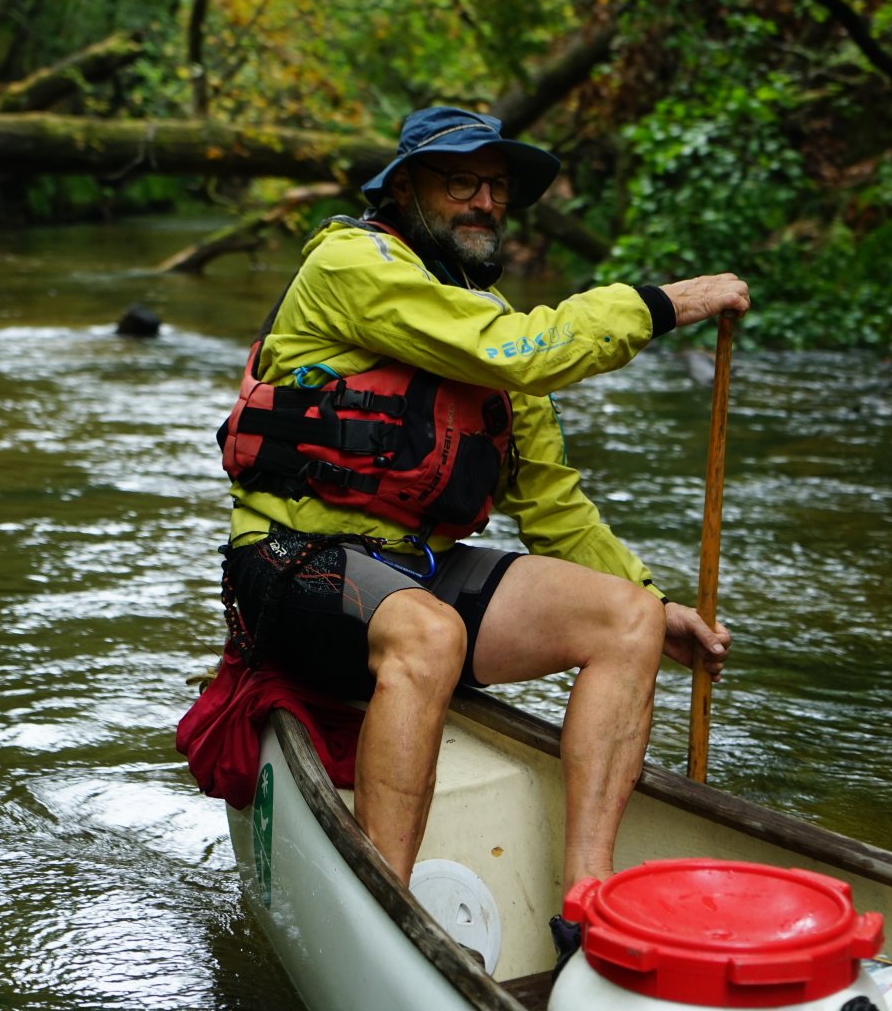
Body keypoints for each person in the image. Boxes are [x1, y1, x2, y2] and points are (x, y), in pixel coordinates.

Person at [217, 105, 748, 948]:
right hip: (291, 559)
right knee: (429, 635)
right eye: (460, 181)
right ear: (403, 190)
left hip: (414, 564)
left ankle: (586, 908)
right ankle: (383, 917)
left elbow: (551, 500)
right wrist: (659, 305)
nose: (484, 202)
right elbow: (524, 350)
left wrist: (652, 597)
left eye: (497, 187)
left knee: (625, 620)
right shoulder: (353, 264)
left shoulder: (487, 318)